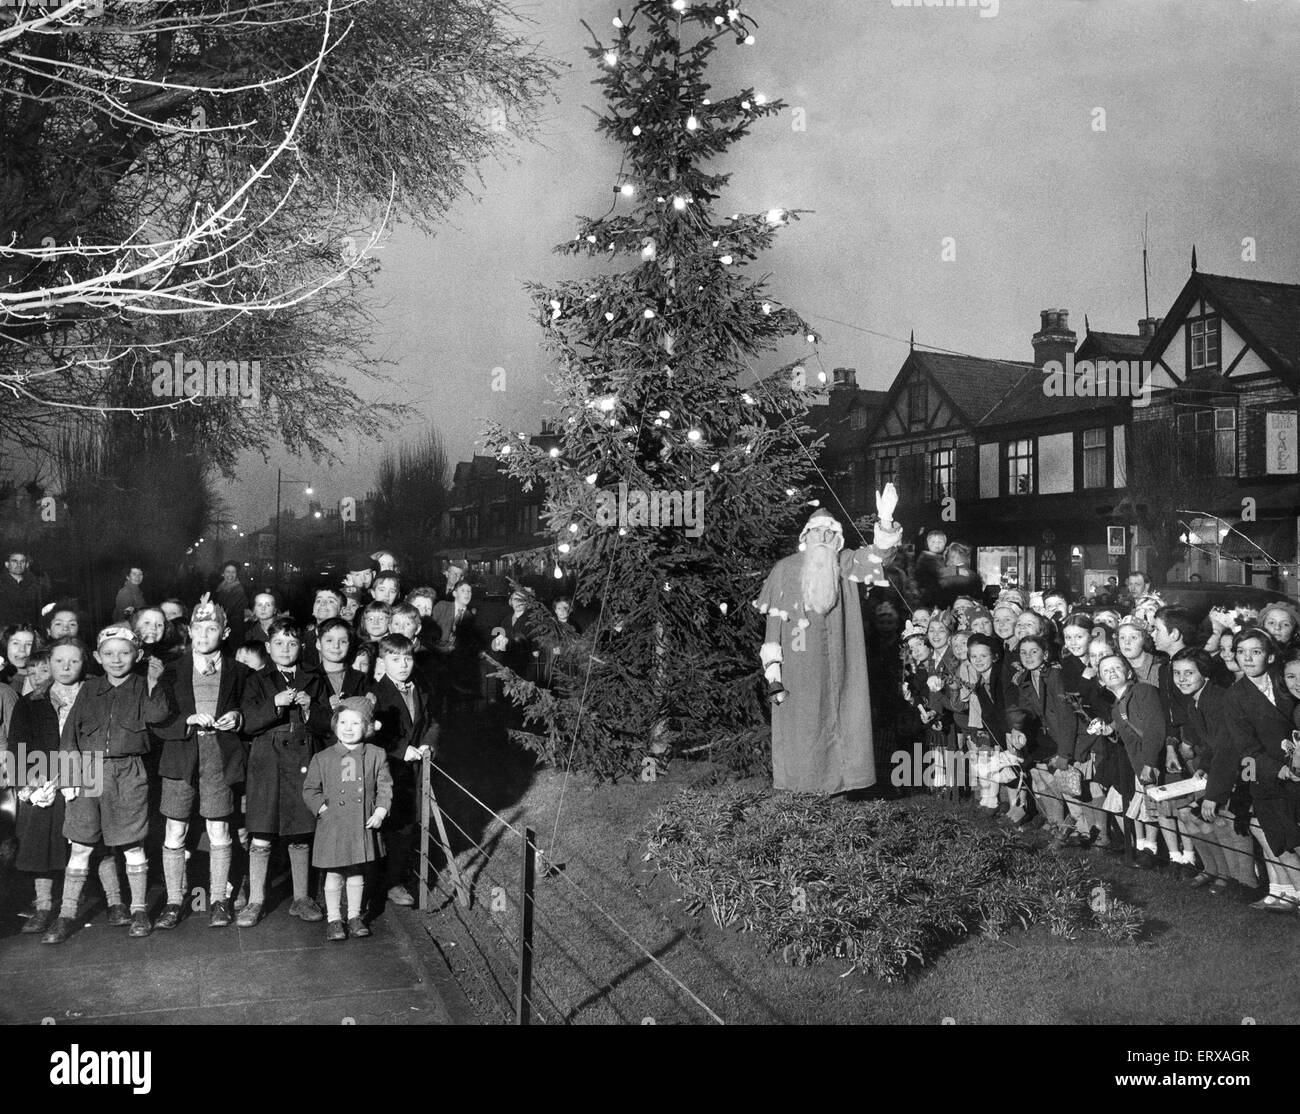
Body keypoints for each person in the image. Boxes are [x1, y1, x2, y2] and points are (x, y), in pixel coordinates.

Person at [756, 486, 903, 795]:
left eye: (828, 532)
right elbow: (772, 625)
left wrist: (887, 519)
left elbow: (880, 555)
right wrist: (772, 672)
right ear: (805, 537)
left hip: (842, 659)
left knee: (842, 717)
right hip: (797, 666)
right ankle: (800, 792)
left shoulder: (846, 563)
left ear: (837, 539)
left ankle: (838, 791)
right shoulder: (784, 570)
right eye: (816, 532)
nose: (822, 537)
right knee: (803, 724)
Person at [46, 625, 175, 943]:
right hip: (87, 771)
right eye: (108, 654)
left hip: (128, 772)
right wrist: (69, 777)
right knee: (80, 845)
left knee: (132, 844)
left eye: (125, 652)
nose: (116, 659)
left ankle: (140, 910)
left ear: (139, 655)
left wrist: (156, 683)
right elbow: (70, 736)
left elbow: (158, 715)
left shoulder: (145, 686)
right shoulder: (89, 691)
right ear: (96, 658)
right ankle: (66, 914)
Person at [153, 601, 252, 930]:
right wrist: (187, 719)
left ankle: (219, 900)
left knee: (219, 829)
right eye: (199, 628)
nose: (204, 634)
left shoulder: (239, 672)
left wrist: (237, 717)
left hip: (219, 755)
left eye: (212, 628)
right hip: (182, 754)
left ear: (224, 633)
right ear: (189, 631)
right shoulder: (171, 671)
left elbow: (249, 710)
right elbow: (156, 718)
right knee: (175, 829)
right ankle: (173, 900)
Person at [236, 618, 331, 928]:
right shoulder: (255, 679)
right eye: (279, 643)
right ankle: (255, 900)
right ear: (268, 647)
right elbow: (247, 722)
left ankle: (301, 897)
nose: (286, 649)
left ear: (301, 646)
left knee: (301, 830)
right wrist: (273, 705)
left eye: (292, 643)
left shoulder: (314, 677)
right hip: (267, 759)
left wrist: (308, 710)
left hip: (304, 756)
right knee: (262, 831)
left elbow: (329, 722)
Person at [302, 696, 394, 941]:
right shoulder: (322, 757)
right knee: (333, 874)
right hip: (333, 824)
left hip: (361, 823)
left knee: (355, 872)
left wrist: (380, 811)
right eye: (343, 722)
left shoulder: (376, 754)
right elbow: (310, 790)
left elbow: (385, 787)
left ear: (366, 728)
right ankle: (334, 919)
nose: (349, 728)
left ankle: (354, 917)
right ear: (335, 725)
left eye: (355, 723)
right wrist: (322, 809)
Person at [1224, 629, 1300, 912]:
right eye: (1241, 652)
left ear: (1269, 655)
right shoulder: (1234, 698)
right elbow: (1246, 750)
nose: (1247, 658)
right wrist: (1278, 771)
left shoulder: (1287, 679)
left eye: (1255, 651)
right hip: (1269, 778)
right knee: (1283, 843)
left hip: (1297, 774)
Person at [1173, 647, 1258, 897]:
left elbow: (1227, 749)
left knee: (1229, 822)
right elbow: (1213, 745)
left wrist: (1213, 793)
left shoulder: (1217, 699)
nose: (1182, 679)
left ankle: (1245, 883)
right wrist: (1202, 768)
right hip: (1225, 768)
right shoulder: (1196, 701)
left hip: (1244, 770)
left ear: (1205, 674)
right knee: (1191, 814)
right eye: (1177, 673)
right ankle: (1220, 872)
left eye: (1189, 673)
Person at [10, 645, 80, 936]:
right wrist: (30, 788)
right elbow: (18, 747)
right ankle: (43, 906)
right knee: (40, 838)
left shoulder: (79, 697)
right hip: (43, 780)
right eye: (33, 669)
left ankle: (110, 901)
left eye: (45, 667)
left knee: (87, 841)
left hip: (79, 774)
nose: (40, 675)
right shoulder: (28, 704)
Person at [368, 634, 438, 908]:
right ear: (382, 661)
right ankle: (372, 883)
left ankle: (394, 881)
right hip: (384, 770)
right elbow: (369, 733)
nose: (403, 664)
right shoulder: (376, 693)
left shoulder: (419, 689)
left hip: (411, 773)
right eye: (395, 659)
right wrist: (399, 749)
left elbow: (431, 723)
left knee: (406, 825)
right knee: (382, 825)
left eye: (407, 658)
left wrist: (427, 744)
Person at [1091, 652, 1165, 870]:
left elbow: (1154, 728)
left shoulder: (1143, 691)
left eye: (1117, 668)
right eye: (1106, 670)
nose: (1112, 672)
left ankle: (1152, 850)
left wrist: (1149, 763)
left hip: (1151, 760)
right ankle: (1143, 849)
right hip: (1137, 761)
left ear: (1128, 672)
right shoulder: (1116, 705)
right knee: (1142, 804)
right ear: (1101, 681)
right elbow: (1122, 733)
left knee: (1152, 806)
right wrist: (1108, 730)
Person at [429, 581, 484, 715]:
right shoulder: (442, 606)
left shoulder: (471, 616)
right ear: (454, 593)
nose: (467, 594)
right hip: (436, 656)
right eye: (463, 590)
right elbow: (429, 631)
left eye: (469, 591)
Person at [316, 617, 370, 706]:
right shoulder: (310, 677)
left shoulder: (360, 679)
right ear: (318, 644)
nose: (336, 646)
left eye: (343, 641)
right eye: (329, 640)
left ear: (350, 645)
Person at [0, 551, 42, 628]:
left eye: (22, 561)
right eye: (14, 561)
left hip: (28, 630)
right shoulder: (2, 584)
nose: (19, 564)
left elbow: (37, 613)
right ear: (7, 564)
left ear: (26, 565)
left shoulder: (34, 585)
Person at [212, 563, 249, 647]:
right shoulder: (221, 587)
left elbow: (230, 611)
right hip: (223, 627)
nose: (230, 575)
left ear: (237, 574)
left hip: (233, 630)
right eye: (228, 572)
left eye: (233, 572)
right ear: (223, 573)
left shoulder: (238, 590)